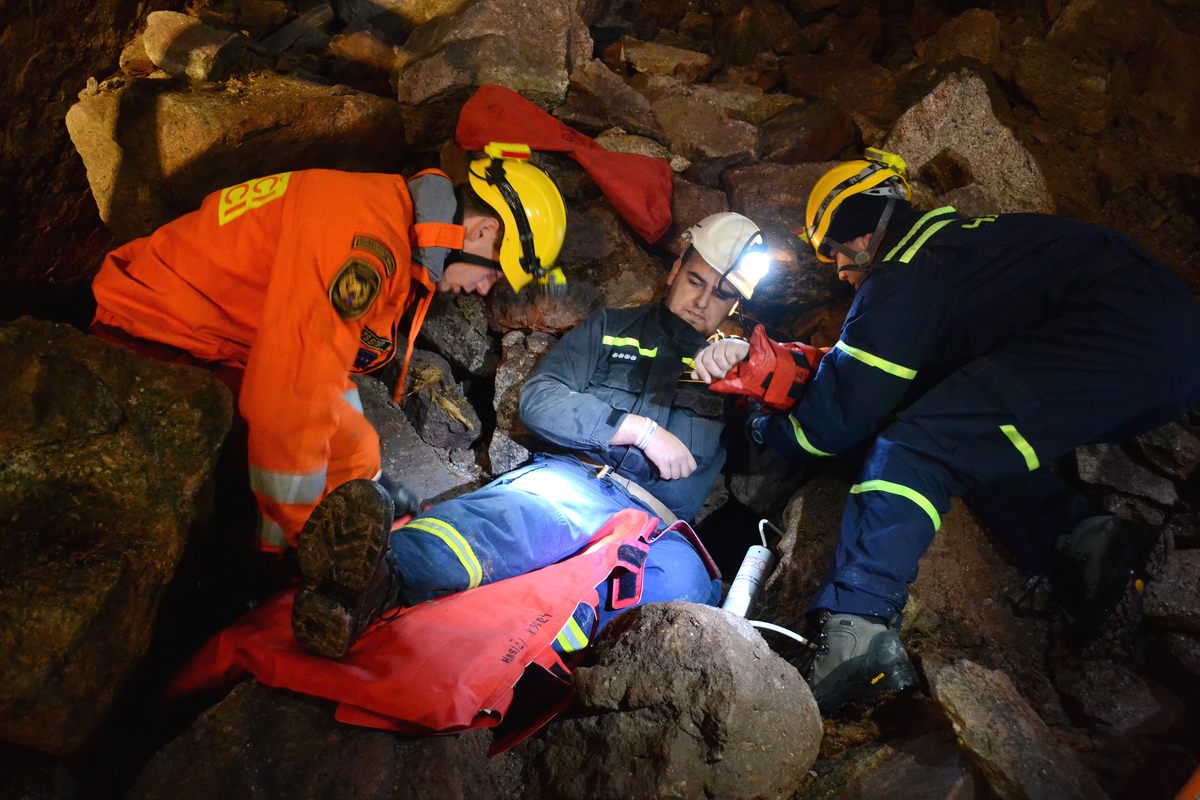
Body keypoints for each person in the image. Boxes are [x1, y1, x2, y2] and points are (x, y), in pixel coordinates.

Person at [691, 149, 1200, 715]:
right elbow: (879, 381)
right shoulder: (958, 249)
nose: (838, 272)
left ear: (857, 234)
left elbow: (835, 424)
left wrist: (763, 429)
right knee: (959, 433)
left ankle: (858, 634)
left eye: (832, 253)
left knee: (915, 449)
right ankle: (1092, 543)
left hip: (1115, 332)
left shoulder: (905, 270)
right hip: (1165, 341)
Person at [290, 211, 773, 659]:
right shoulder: (610, 328)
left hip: (659, 527)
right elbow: (540, 400)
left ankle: (552, 654)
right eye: (695, 281)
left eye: (721, 294)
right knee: (512, 520)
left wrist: (757, 371)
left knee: (684, 584)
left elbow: (782, 444)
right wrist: (637, 430)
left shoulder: (737, 376)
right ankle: (374, 579)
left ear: (734, 305)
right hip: (578, 483)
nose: (702, 302)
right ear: (675, 271)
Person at [91, 142, 567, 553]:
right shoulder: (363, 246)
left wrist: (357, 490)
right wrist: (299, 541)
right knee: (261, 485)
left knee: (356, 450)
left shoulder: (390, 213)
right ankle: (262, 560)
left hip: (222, 333)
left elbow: (323, 365)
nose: (484, 289)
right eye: (495, 274)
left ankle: (342, 507)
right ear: (483, 232)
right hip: (152, 334)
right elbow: (291, 393)